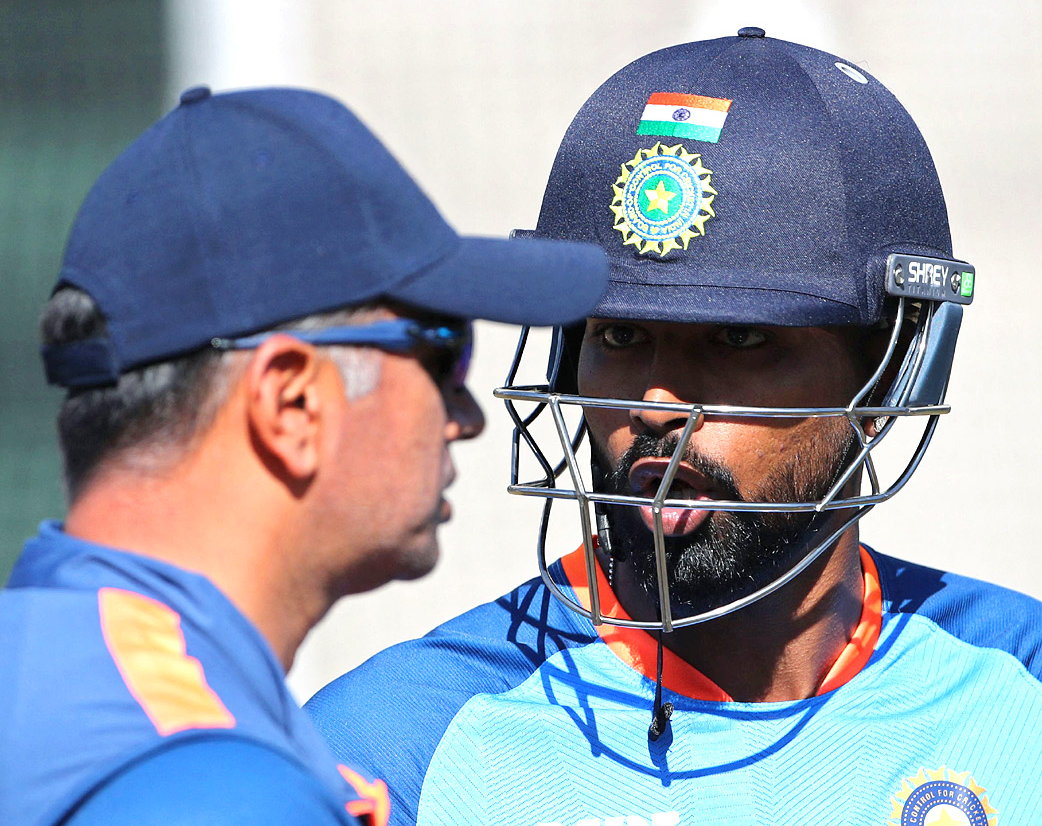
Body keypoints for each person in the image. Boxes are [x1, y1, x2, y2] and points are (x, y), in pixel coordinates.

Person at [306, 30, 1042, 825]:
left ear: (892, 369)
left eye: (740, 340)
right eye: (618, 336)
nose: (656, 409)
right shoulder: (398, 747)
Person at [0, 85, 607, 826]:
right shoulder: (205, 781)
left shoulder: (44, 665)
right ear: (290, 403)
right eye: (441, 352)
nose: (468, 417)